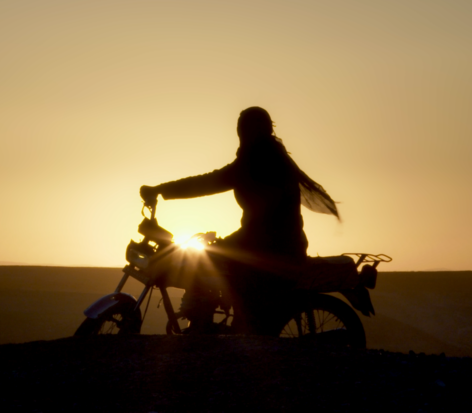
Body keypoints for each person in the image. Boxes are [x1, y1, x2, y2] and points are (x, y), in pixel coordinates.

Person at [139, 106, 339, 334]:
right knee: (210, 256)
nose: (241, 134)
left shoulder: (262, 161)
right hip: (262, 242)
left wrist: (160, 190)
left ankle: (234, 328)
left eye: (243, 129)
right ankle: (212, 319)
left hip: (274, 248)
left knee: (208, 261)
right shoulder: (261, 157)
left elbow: (212, 183)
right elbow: (214, 184)